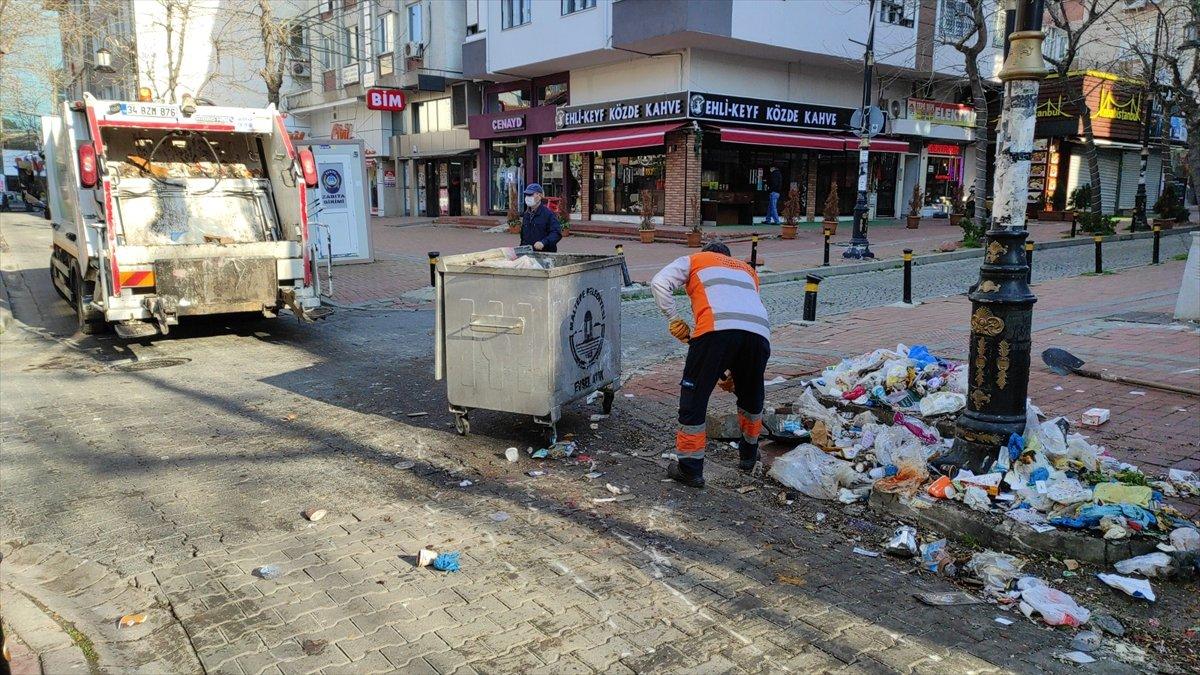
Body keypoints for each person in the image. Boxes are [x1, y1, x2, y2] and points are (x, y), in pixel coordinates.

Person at [650, 241, 771, 488]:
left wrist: (674, 319)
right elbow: (738, 318)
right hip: (758, 335)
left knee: (694, 396)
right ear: (729, 257)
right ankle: (749, 457)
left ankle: (690, 469)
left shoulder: (695, 260)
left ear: (705, 252)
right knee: (751, 395)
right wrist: (730, 371)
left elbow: (659, 283)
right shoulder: (748, 271)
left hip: (714, 332)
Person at [519, 183, 561, 253]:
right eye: (526, 195)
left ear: (540, 196)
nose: (528, 197)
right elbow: (523, 237)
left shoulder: (548, 214)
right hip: (529, 254)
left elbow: (556, 233)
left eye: (531, 195)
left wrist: (543, 242)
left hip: (545, 254)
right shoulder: (526, 215)